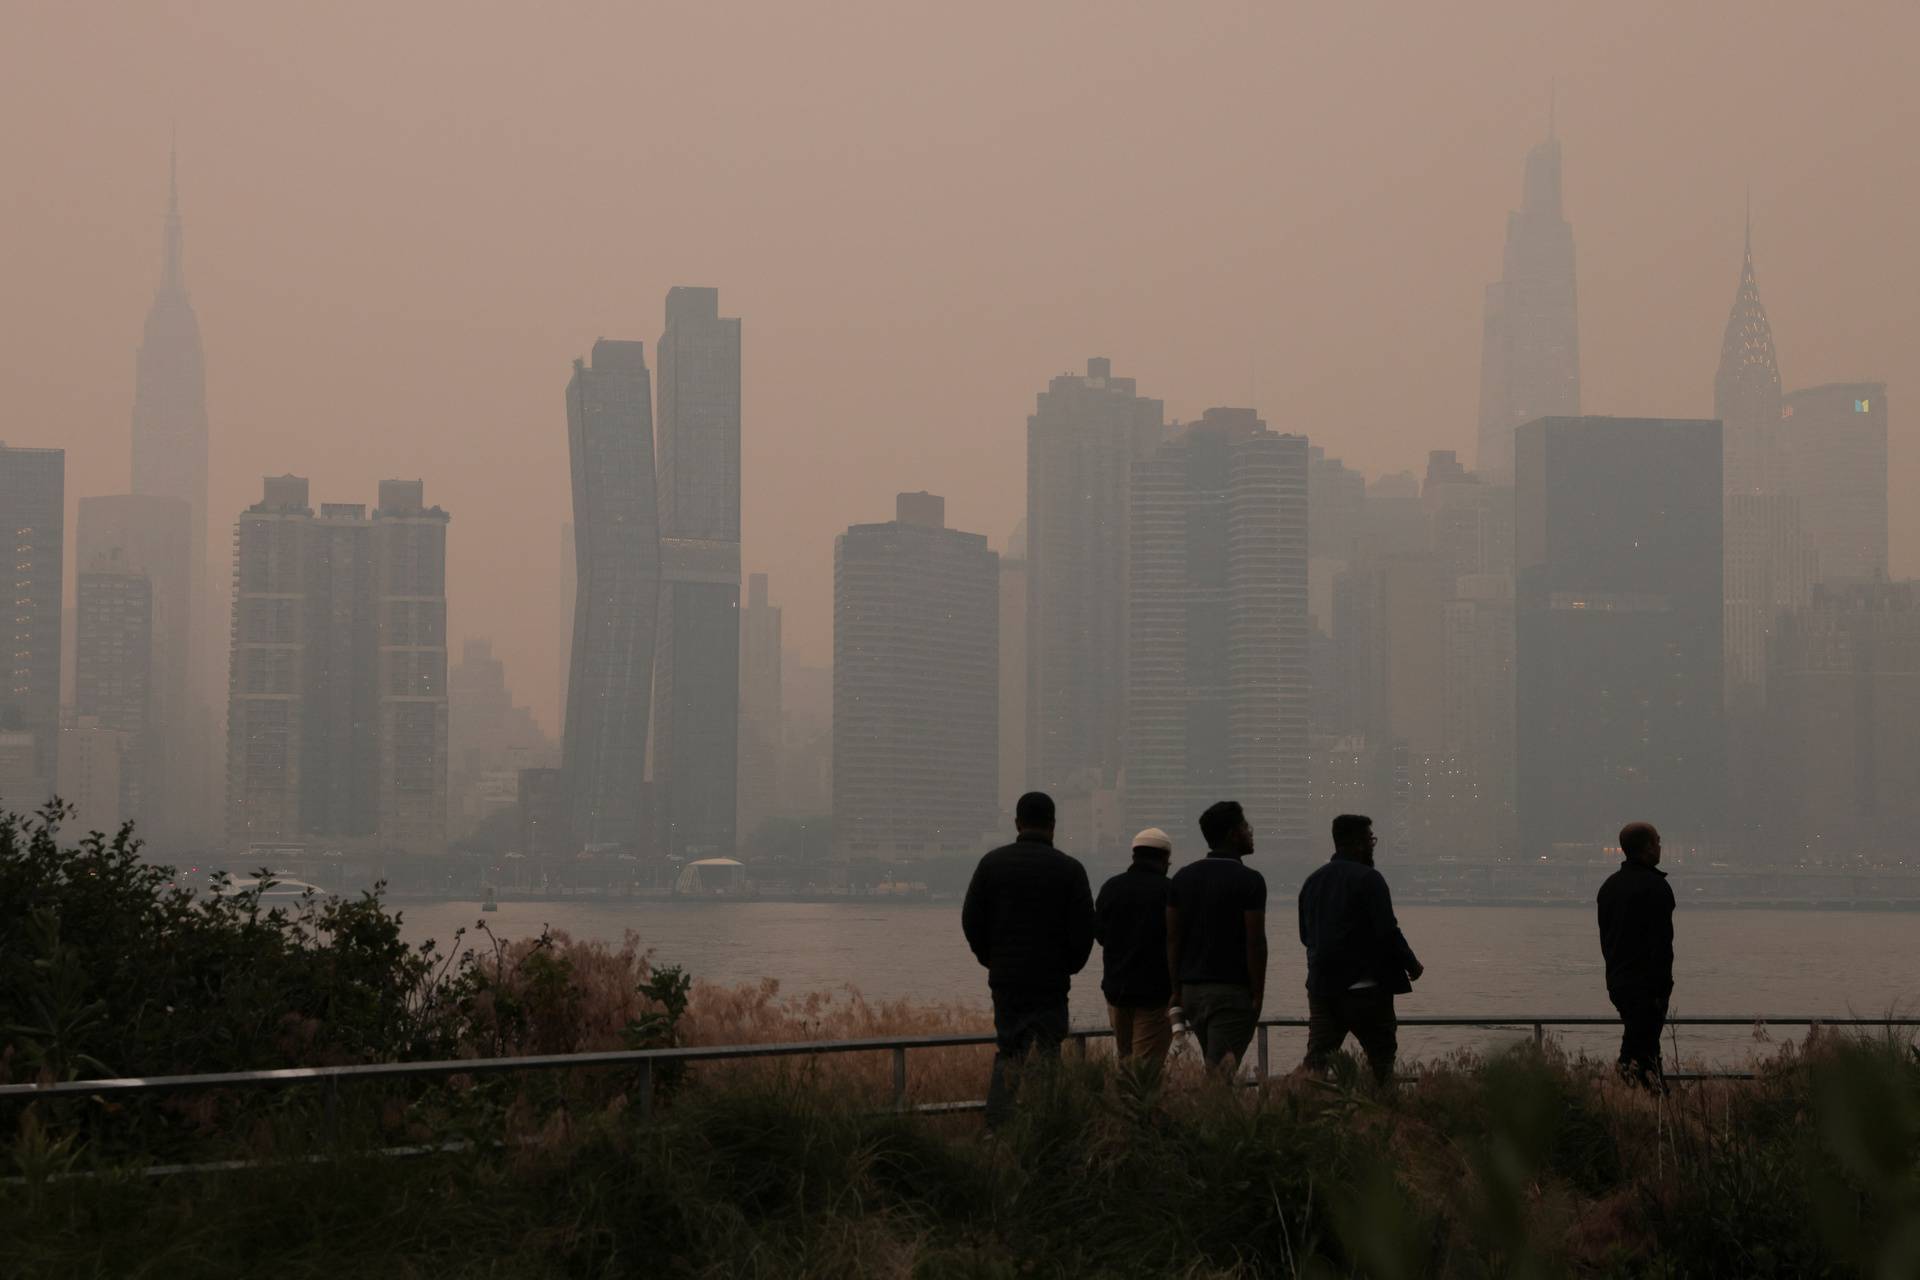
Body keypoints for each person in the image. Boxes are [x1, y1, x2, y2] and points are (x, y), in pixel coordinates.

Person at [961, 791, 1095, 1129]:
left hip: (1007, 979)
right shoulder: (1070, 869)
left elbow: (971, 920)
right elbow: (1084, 929)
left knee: (1009, 1052)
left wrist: (990, 958)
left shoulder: (991, 864)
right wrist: (1071, 965)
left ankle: (997, 1131)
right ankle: (1050, 1129)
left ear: (1017, 823)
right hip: (1051, 981)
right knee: (1050, 1052)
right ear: (1053, 825)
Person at [1297, 813, 1423, 1085]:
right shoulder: (1370, 879)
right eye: (1370, 839)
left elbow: (1306, 936)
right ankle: (1385, 1113)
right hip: (1366, 991)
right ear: (1356, 843)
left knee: (1317, 1060)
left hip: (1322, 989)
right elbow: (1388, 931)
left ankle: (1299, 1112)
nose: (1372, 845)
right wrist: (1412, 964)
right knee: (1382, 1060)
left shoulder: (1312, 882)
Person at [1165, 801, 1268, 1073]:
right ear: (1233, 834)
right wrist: (1258, 993)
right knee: (1220, 1075)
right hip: (1230, 992)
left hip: (1191, 992)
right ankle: (1206, 1115)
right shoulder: (1250, 880)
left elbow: (1173, 939)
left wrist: (1176, 990)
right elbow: (1255, 942)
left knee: (1216, 1066)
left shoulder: (1182, 878)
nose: (1250, 832)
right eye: (1245, 826)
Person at [1597, 821, 1675, 1089]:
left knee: (1642, 1046)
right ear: (1648, 847)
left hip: (1618, 981)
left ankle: (1646, 1100)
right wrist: (1663, 987)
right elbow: (1662, 944)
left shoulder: (1609, 887)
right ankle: (1638, 1100)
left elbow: (1606, 939)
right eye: (1657, 841)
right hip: (1647, 985)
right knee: (1640, 1049)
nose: (1660, 846)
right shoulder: (1656, 887)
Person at [1094, 828, 1175, 1071]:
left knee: (1125, 1061)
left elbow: (1100, 936)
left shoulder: (1111, 888)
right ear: (1164, 859)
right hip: (1156, 996)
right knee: (1145, 1072)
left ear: (1134, 855)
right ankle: (1137, 1110)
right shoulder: (1170, 891)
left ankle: (1123, 1107)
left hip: (1117, 992)